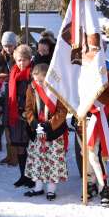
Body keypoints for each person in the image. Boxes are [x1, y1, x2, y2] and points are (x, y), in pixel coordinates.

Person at [73, 60, 109, 206]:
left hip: (98, 114)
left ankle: (104, 186)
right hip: (80, 115)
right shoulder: (77, 65)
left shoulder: (107, 67)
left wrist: (92, 91)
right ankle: (91, 183)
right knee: (84, 153)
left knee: (95, 154)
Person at [24, 63, 68, 201]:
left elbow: (62, 111)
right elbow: (28, 109)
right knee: (37, 159)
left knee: (52, 160)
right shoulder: (31, 88)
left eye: (41, 81)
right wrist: (35, 124)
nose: (38, 83)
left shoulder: (57, 89)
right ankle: (38, 187)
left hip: (53, 131)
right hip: (38, 131)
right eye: (36, 80)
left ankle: (51, 189)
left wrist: (48, 125)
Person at [3, 45, 35, 188]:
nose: (21, 63)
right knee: (20, 148)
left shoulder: (33, 74)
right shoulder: (13, 73)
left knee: (31, 148)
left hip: (30, 117)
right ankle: (23, 175)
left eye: (24, 60)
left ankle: (32, 177)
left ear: (29, 59)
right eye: (19, 60)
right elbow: (8, 98)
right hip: (16, 116)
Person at [0, 31, 18, 166]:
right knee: (5, 125)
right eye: (5, 46)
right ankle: (9, 154)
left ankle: (15, 156)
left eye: (10, 45)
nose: (8, 48)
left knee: (14, 126)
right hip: (3, 95)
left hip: (14, 96)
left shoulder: (18, 57)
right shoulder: (1, 57)